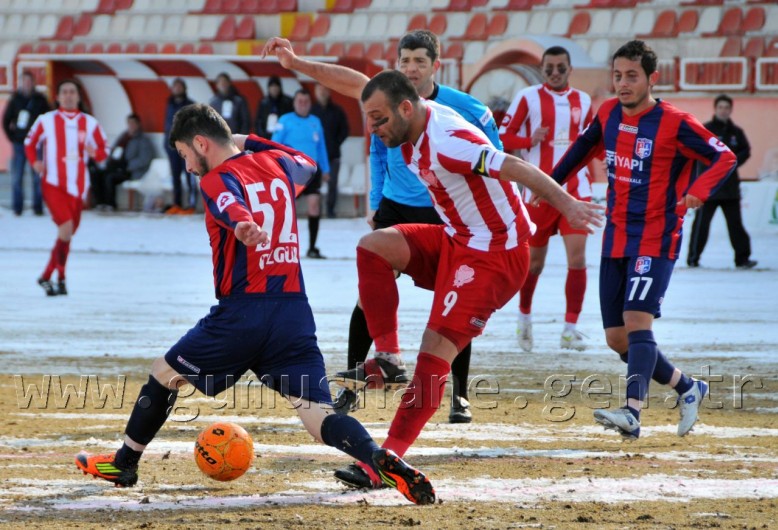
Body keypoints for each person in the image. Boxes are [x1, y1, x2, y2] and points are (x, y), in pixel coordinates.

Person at [262, 37, 603, 488]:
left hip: (495, 256)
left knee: (435, 351)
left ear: (405, 108)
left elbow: (513, 166)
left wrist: (568, 204)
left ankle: (382, 464)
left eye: (379, 120)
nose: (374, 130)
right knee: (373, 247)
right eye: (370, 119)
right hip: (458, 238)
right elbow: (359, 84)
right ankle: (387, 356)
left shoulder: (448, 143)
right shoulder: (408, 109)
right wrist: (296, 62)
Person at [73, 103, 435, 506]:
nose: (188, 166)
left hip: (243, 313)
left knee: (163, 373)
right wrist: (246, 141)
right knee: (319, 416)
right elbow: (309, 165)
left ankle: (124, 463)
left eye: (185, 154)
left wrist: (243, 222)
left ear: (201, 143)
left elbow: (229, 202)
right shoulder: (277, 163)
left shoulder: (215, 179)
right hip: (293, 313)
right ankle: (376, 457)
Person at [550, 40, 737, 439]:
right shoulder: (608, 113)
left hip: (656, 236)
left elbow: (724, 157)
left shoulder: (675, 122)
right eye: (617, 75)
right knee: (617, 337)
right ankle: (688, 387)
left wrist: (699, 191)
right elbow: (583, 148)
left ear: (652, 78)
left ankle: (632, 412)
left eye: (632, 76)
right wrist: (550, 184)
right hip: (616, 235)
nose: (623, 83)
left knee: (637, 321)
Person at [339, 30, 505, 424]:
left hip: (446, 212)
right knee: (368, 294)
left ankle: (459, 396)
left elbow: (496, 159)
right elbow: (377, 153)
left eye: (420, 61)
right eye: (405, 61)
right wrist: (376, 202)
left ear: (436, 66)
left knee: (455, 301)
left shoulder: (468, 109)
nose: (411, 68)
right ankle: (351, 387)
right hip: (395, 207)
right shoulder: (386, 103)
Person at [499, 46, 593, 353]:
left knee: (577, 259)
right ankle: (524, 317)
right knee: (534, 264)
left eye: (560, 68)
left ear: (570, 69)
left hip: (576, 191)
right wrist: (529, 140)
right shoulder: (527, 97)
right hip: (538, 192)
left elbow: (593, 142)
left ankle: (570, 329)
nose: (554, 73)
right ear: (542, 69)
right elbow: (502, 136)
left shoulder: (584, 100)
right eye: (549, 68)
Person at [25, 79, 108, 296]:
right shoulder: (46, 120)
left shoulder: (89, 123)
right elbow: (29, 143)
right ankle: (47, 276)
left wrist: (96, 153)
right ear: (58, 97)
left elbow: (104, 149)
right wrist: (35, 161)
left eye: (72, 92)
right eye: (65, 92)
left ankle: (59, 278)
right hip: (53, 183)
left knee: (67, 234)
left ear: (78, 96)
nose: (69, 95)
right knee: (66, 228)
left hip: (78, 186)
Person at [686, 94, 756, 270]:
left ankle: (742, 259)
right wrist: (712, 166)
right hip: (709, 188)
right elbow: (695, 151)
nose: (723, 110)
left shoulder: (736, 132)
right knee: (701, 224)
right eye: (721, 107)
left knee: (736, 225)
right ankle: (693, 258)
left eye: (726, 108)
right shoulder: (706, 129)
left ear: (730, 110)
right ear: (715, 109)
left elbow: (745, 151)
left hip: (730, 188)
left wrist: (731, 163)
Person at [272, 89, 330, 259]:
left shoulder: (315, 122)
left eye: (306, 101)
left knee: (314, 205)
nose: (302, 104)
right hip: (292, 170)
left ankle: (312, 247)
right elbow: (273, 145)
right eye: (300, 101)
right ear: (294, 103)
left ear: (310, 104)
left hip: (312, 171)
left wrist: (326, 169)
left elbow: (321, 147)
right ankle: (284, 245)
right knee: (289, 209)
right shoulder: (285, 121)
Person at [2, 71, 51, 216]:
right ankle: (18, 207)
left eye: (29, 81)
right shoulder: (15, 99)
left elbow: (49, 119)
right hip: (19, 143)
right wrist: (13, 137)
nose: (27, 84)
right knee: (17, 176)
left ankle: (38, 207)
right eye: (24, 81)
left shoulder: (40, 99)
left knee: (37, 177)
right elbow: (6, 120)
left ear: (33, 83)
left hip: (36, 143)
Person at [92, 113, 155, 211]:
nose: (131, 126)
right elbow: (113, 150)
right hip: (117, 166)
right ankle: (100, 202)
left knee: (110, 178)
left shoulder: (143, 140)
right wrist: (110, 161)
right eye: (129, 123)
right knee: (97, 174)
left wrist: (127, 166)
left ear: (138, 124)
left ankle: (110, 204)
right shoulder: (124, 137)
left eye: (133, 123)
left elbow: (144, 159)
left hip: (131, 171)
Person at [311, 83, 349, 219]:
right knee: (315, 185)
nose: (322, 92)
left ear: (329, 92)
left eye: (324, 89)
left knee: (332, 184)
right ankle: (316, 210)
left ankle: (330, 210)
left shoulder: (337, 111)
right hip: (315, 156)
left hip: (333, 155)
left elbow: (345, 130)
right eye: (319, 90)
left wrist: (335, 143)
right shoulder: (311, 111)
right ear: (315, 92)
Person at [163, 77, 196, 214]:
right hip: (172, 147)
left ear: (184, 88)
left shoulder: (190, 105)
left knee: (189, 175)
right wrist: (166, 143)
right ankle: (177, 203)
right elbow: (167, 125)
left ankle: (191, 204)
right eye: (175, 86)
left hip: (187, 146)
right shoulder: (169, 104)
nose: (177, 89)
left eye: (179, 86)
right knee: (175, 176)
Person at [255, 75, 293, 140]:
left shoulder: (287, 102)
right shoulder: (264, 103)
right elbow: (259, 122)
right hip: (266, 136)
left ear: (280, 87)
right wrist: (262, 136)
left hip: (283, 136)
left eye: (276, 86)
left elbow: (291, 120)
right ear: (268, 88)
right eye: (272, 86)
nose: (274, 88)